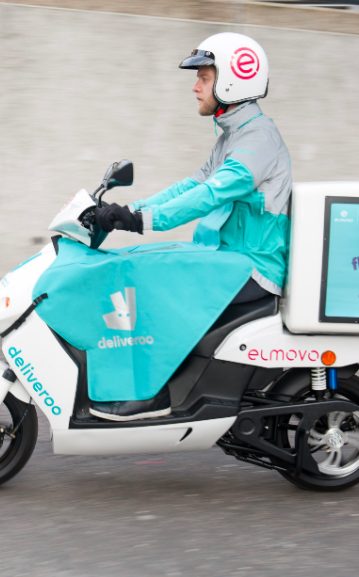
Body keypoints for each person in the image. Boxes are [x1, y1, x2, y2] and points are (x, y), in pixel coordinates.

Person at [90, 33, 292, 421]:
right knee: (134, 263)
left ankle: (154, 394)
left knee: (152, 285)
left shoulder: (258, 141)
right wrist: (128, 210)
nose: (195, 86)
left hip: (253, 268)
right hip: (228, 260)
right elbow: (191, 186)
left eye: (204, 76)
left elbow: (212, 193)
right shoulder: (235, 136)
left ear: (233, 80)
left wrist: (143, 220)